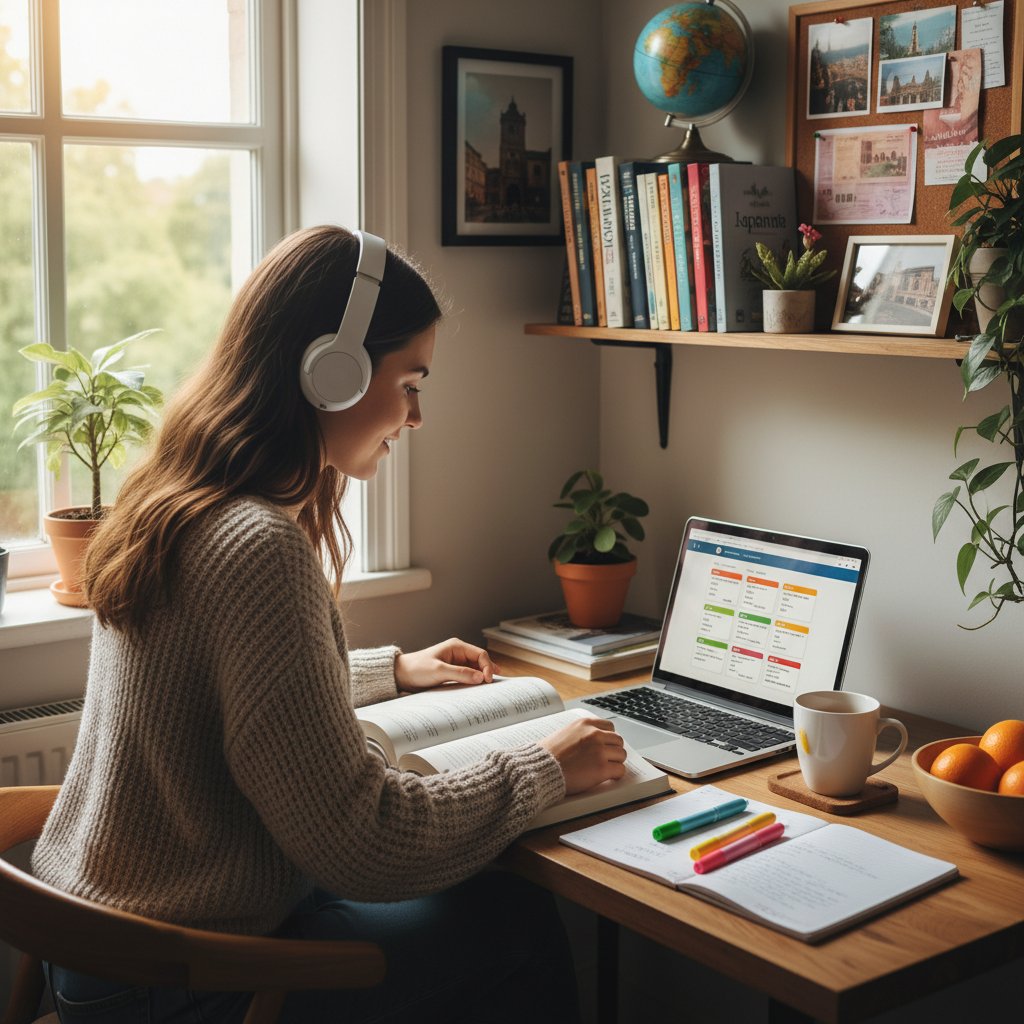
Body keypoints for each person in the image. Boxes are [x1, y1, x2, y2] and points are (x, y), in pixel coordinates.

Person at [32, 225, 627, 1023]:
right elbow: (364, 843)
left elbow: (202, 688)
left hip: (97, 952)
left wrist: (389, 671)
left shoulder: (176, 493)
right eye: (411, 381)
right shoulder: (256, 541)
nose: (417, 416)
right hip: (182, 979)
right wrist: (543, 766)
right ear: (331, 372)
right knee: (512, 920)